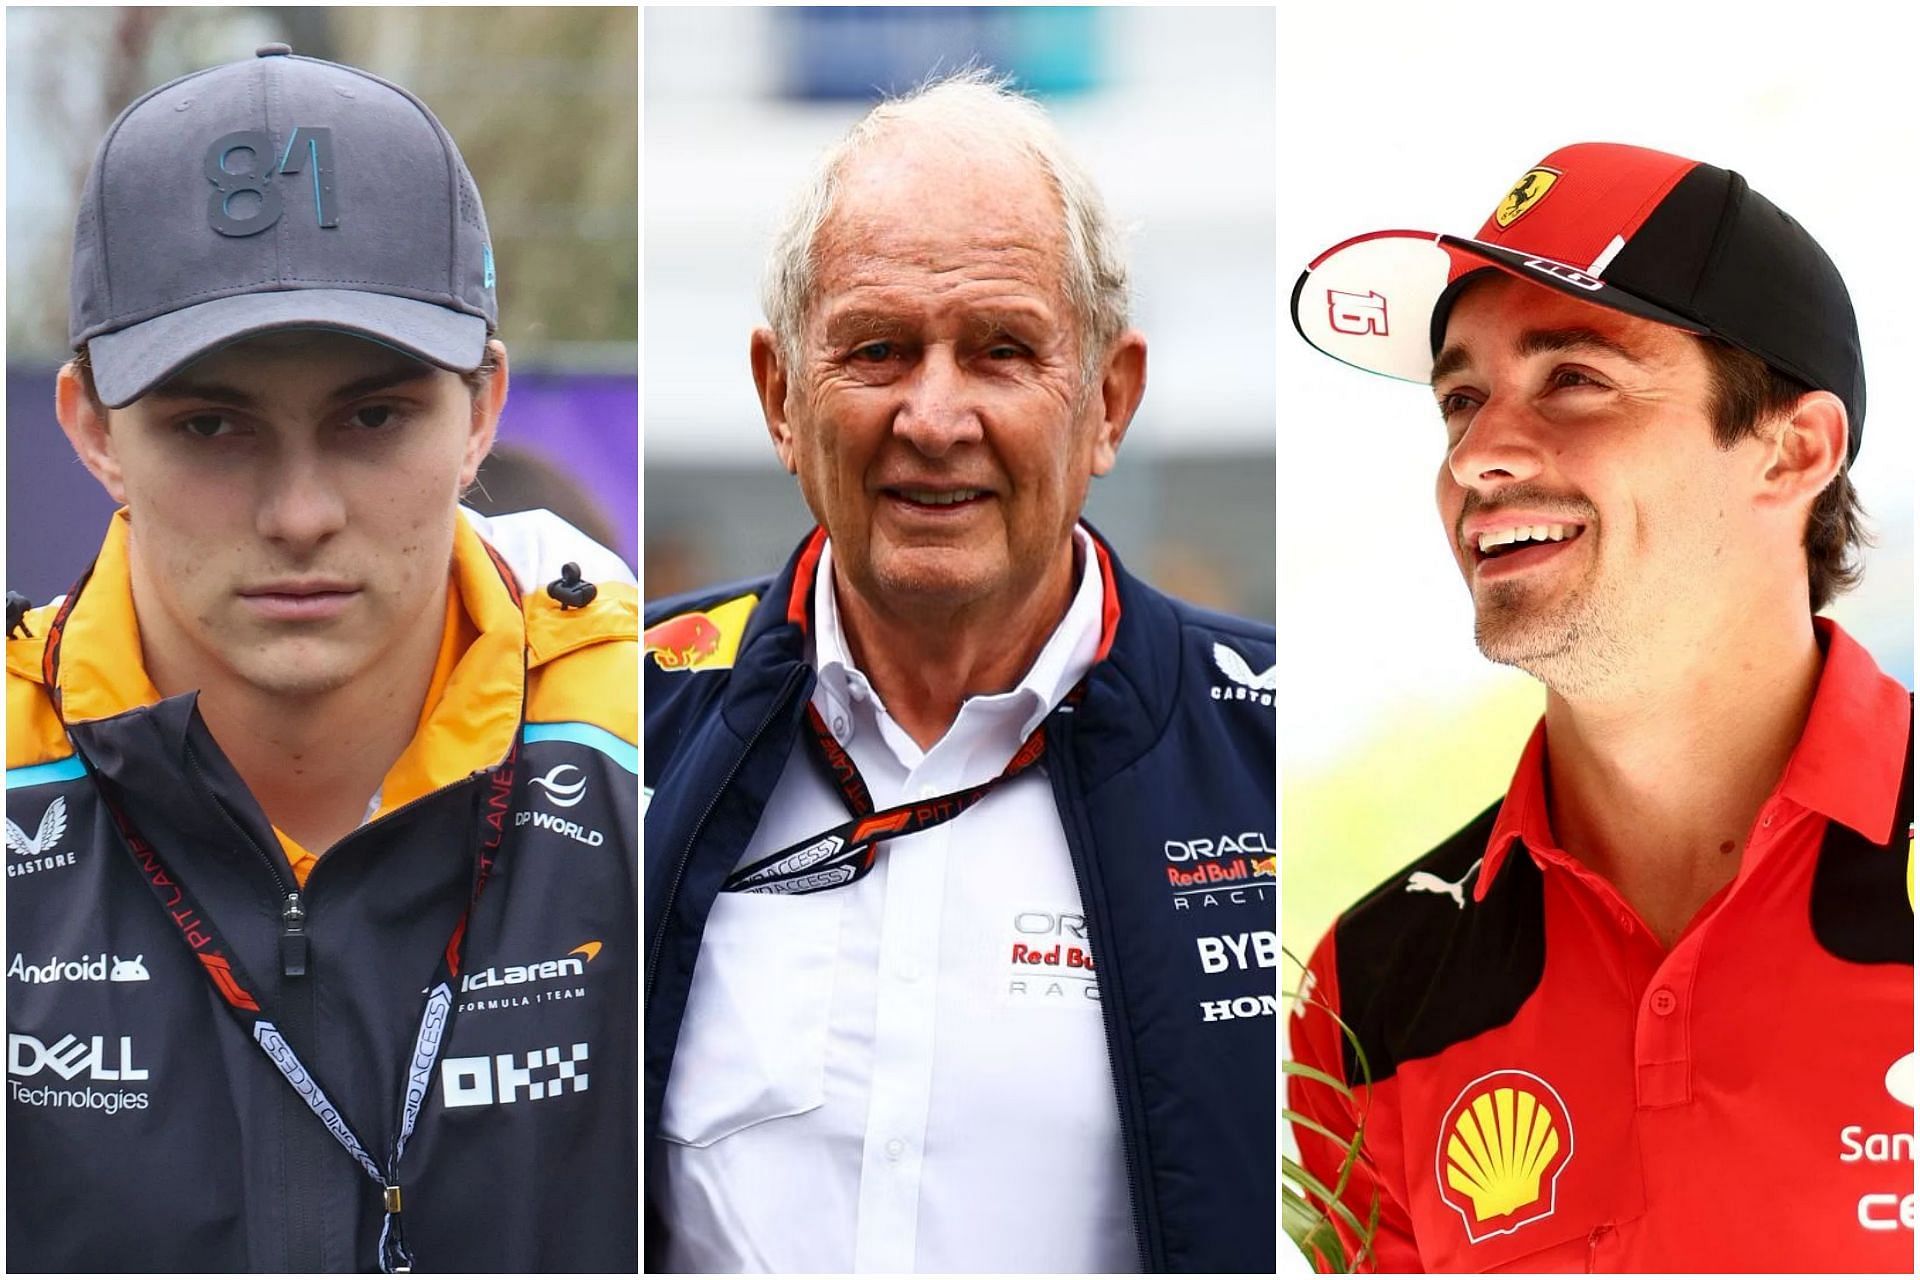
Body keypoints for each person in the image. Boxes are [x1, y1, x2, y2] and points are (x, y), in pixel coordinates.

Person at [5, 45, 637, 1272]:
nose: (299, 514)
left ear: (483, 411)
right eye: (211, 423)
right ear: (91, 428)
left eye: (372, 416)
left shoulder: (657, 752)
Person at [643, 71, 1276, 1273]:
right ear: (781, 396)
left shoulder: (1271, 749)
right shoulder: (620, 725)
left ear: (1108, 400)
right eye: (878, 349)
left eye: (1001, 351)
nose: (935, 417)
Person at [1286, 143, 1911, 1271]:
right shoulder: (1367, 989)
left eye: (1574, 378)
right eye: (1460, 400)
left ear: (1794, 449)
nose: (1478, 455)